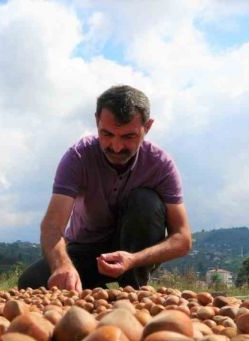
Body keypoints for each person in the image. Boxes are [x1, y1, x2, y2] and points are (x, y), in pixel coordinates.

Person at [18, 85, 192, 292]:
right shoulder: (78, 157)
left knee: (146, 201)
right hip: (85, 248)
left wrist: (133, 259)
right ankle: (96, 290)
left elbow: (182, 238)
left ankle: (133, 290)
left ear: (148, 127)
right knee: (31, 282)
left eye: (128, 137)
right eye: (107, 134)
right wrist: (62, 266)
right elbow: (52, 226)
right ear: (96, 121)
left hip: (133, 251)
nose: (116, 146)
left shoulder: (160, 164)